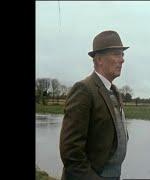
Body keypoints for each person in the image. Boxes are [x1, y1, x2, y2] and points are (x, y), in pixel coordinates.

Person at [60, 30, 129, 180]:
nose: (122, 60)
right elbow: (71, 153)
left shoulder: (114, 91)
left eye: (122, 54)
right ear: (99, 59)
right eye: (116, 54)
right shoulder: (84, 90)